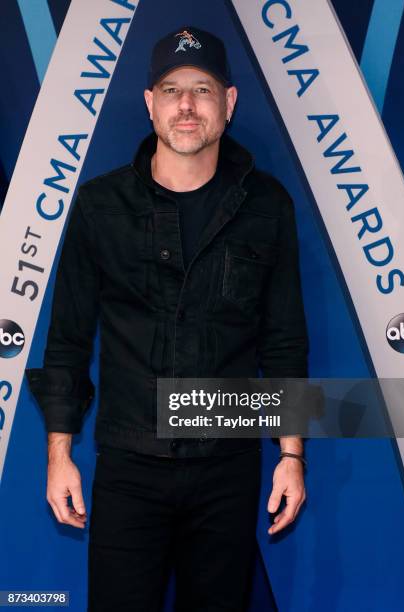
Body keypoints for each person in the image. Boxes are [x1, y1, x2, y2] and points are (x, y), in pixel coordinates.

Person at [26, 26, 309, 612]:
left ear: (228, 104)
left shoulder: (269, 207)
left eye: (202, 89)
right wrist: (59, 457)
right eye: (172, 89)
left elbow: (284, 342)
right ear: (151, 103)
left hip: (228, 465)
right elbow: (68, 340)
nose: (187, 105)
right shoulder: (100, 206)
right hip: (129, 467)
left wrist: (291, 456)